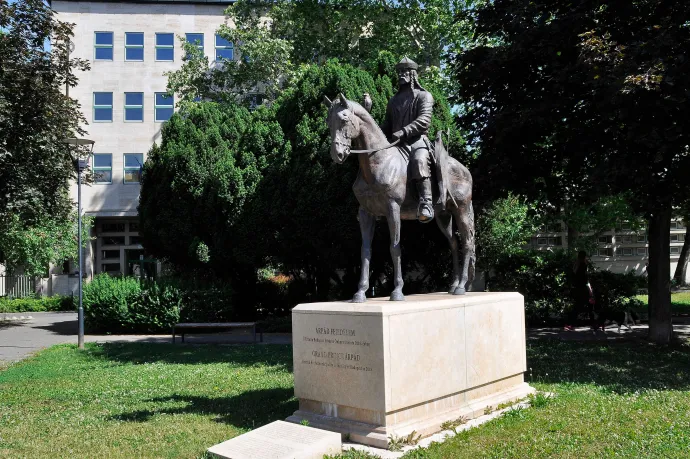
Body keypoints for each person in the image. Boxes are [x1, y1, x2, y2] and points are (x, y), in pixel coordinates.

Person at [380, 57, 435, 223]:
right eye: (399, 72)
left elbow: (424, 120)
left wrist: (404, 131)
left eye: (405, 71)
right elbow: (387, 125)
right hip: (396, 143)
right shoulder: (393, 101)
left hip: (417, 140)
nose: (401, 75)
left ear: (413, 74)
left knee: (419, 160)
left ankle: (426, 202)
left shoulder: (424, 96)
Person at [564, 251, 595, 331]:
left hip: (576, 289)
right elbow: (585, 280)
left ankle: (570, 324)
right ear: (585, 257)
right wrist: (590, 290)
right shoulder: (583, 265)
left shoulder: (575, 266)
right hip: (583, 290)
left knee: (577, 307)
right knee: (589, 306)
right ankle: (593, 325)